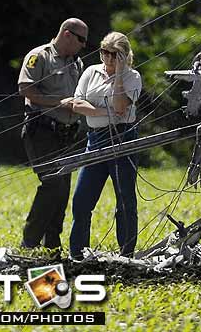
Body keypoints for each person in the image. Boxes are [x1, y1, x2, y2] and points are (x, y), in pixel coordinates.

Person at [67, 31, 141, 260]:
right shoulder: (91, 72)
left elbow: (121, 105)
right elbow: (76, 103)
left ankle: (126, 253)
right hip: (96, 138)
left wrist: (118, 74)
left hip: (123, 137)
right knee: (81, 200)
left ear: (124, 55)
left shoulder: (132, 77)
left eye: (114, 54)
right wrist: (103, 112)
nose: (108, 58)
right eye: (104, 52)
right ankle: (78, 253)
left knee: (124, 200)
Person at [18, 18, 88, 252]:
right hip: (42, 129)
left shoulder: (76, 63)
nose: (83, 45)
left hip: (67, 134)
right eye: (81, 40)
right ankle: (29, 242)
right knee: (52, 184)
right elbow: (25, 88)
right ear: (67, 34)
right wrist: (59, 103)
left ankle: (52, 245)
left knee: (62, 191)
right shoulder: (40, 56)